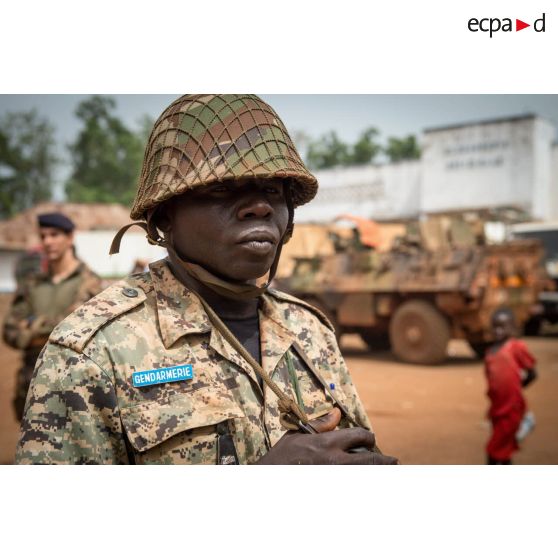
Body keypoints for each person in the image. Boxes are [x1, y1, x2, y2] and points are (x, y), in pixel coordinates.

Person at [16, 95, 398, 465]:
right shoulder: (93, 353)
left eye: (271, 189)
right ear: (164, 217)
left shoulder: (309, 329)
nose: (260, 206)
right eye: (221, 188)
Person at [3, 212, 102, 421]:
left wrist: (32, 327)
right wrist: (55, 327)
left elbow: (80, 331)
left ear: (70, 237)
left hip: (75, 382)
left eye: (54, 234)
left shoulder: (89, 282)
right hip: (32, 383)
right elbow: (10, 331)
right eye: (43, 236)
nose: (48, 242)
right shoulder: (31, 285)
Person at [484, 308, 538, 465]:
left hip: (512, 408)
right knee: (503, 451)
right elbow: (493, 383)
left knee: (493, 450)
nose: (498, 330)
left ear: (513, 327)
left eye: (503, 326)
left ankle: (525, 421)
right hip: (497, 409)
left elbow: (532, 373)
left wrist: (516, 391)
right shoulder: (490, 353)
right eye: (495, 326)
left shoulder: (516, 347)